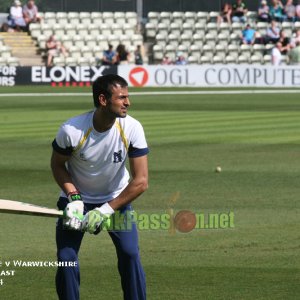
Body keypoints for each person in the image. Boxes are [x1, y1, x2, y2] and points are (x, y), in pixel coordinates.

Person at [51, 74, 148, 300]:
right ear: (103, 100)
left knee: (130, 254)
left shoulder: (132, 127)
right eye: (121, 97)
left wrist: (105, 210)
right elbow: (57, 165)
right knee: (67, 258)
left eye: (127, 97)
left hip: (115, 200)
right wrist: (74, 197)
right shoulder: (71, 130)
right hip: (76, 202)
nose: (128, 102)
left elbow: (141, 181)